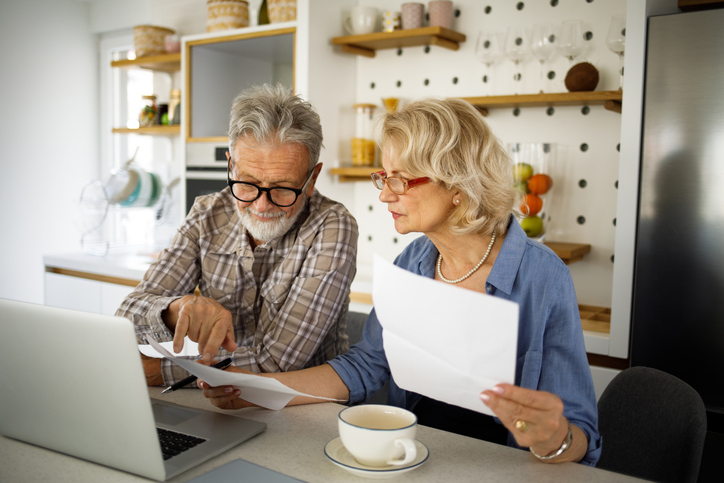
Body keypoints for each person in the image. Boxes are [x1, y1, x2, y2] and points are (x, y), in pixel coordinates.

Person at [198, 97, 601, 466]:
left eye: (400, 180)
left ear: (457, 185)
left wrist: (553, 437)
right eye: (384, 177)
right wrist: (255, 387)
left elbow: (580, 433)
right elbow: (366, 366)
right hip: (412, 461)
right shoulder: (413, 263)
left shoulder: (542, 276)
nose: (385, 195)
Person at [116, 84, 359, 387]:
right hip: (217, 398)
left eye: (283, 188)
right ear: (231, 166)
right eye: (247, 183)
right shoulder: (207, 213)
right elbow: (126, 316)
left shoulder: (333, 227)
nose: (261, 205)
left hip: (305, 411)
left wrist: (154, 371)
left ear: (311, 180)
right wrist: (175, 310)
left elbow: (273, 363)